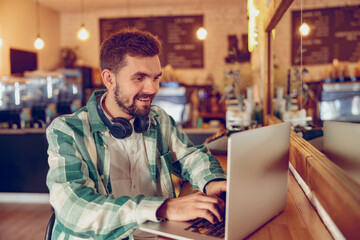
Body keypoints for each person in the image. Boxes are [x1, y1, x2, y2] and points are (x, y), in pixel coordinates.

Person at [46, 27, 227, 240]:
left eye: (156, 78)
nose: (151, 89)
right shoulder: (67, 130)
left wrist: (212, 182)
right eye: (139, 78)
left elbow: (190, 156)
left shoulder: (159, 119)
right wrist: (164, 208)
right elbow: (73, 209)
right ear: (109, 79)